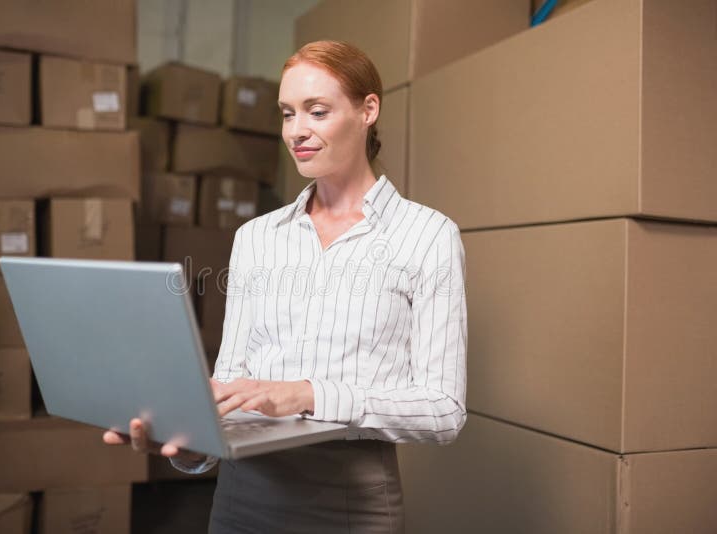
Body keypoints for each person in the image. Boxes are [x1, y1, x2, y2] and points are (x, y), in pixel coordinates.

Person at [104, 40, 468, 533]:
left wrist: (308, 394)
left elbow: (443, 411)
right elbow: (231, 382)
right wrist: (195, 441)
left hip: (350, 504)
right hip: (239, 499)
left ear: (368, 110)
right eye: (287, 113)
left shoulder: (427, 236)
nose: (297, 131)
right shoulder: (256, 237)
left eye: (317, 111)